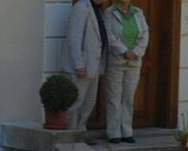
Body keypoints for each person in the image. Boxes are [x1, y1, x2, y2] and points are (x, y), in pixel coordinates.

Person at [62, 0, 108, 139]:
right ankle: (71, 134)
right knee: (76, 101)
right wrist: (79, 64)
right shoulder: (81, 7)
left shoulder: (98, 10)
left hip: (94, 65)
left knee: (89, 103)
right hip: (82, 66)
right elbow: (75, 38)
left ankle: (80, 132)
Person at [104, 0, 149, 143]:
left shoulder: (138, 12)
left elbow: (145, 35)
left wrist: (135, 52)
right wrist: (124, 51)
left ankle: (127, 131)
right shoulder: (110, 12)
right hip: (116, 61)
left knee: (128, 98)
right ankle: (114, 133)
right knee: (114, 97)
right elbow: (109, 36)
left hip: (134, 62)